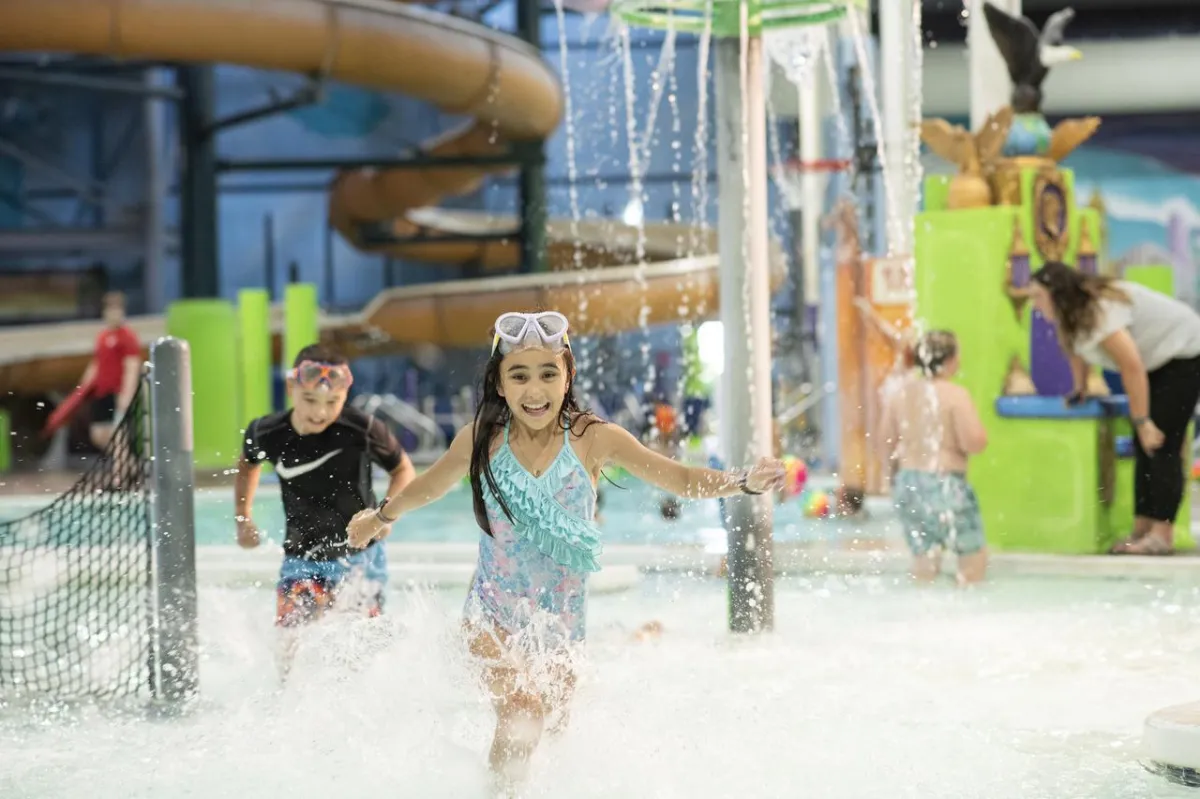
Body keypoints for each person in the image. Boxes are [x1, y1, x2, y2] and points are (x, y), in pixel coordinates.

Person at [345, 311, 785, 789]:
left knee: (549, 740)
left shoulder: (594, 439)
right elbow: (429, 487)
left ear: (568, 374)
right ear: (498, 383)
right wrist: (381, 516)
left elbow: (677, 478)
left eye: (548, 373)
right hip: (488, 616)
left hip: (560, 630)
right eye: (519, 375)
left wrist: (743, 482)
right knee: (521, 710)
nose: (535, 391)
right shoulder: (482, 441)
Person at [234, 345, 416, 679]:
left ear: (345, 394)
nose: (320, 412)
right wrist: (243, 517)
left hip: (361, 559)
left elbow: (403, 470)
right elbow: (247, 465)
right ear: (291, 388)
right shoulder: (267, 432)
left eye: (333, 403)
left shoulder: (362, 428)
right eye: (310, 400)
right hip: (300, 558)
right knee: (289, 648)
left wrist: (385, 515)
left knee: (358, 656)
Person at [1029, 261, 1200, 555]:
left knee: (1159, 441)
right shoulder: (1071, 315)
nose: (1035, 304)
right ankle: (1141, 530)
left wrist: (1143, 419)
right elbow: (1075, 349)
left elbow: (1130, 366)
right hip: (1155, 359)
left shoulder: (1100, 310)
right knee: (1141, 444)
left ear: (1057, 294)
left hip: (1183, 351)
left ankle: (1161, 535)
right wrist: (1079, 387)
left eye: (1038, 296)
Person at [879, 330, 989, 585]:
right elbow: (974, 442)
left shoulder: (901, 394)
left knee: (924, 559)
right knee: (972, 556)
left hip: (908, 484)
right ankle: (968, 613)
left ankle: (923, 611)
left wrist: (891, 478)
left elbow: (884, 441)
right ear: (950, 360)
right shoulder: (955, 395)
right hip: (945, 483)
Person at [77, 292, 142, 452]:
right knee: (98, 434)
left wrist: (126, 396)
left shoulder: (127, 337)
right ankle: (125, 465)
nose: (114, 314)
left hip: (117, 392)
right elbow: (97, 363)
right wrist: (82, 388)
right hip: (101, 392)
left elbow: (132, 367)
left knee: (118, 435)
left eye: (117, 310)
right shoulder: (102, 337)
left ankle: (120, 473)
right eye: (110, 310)